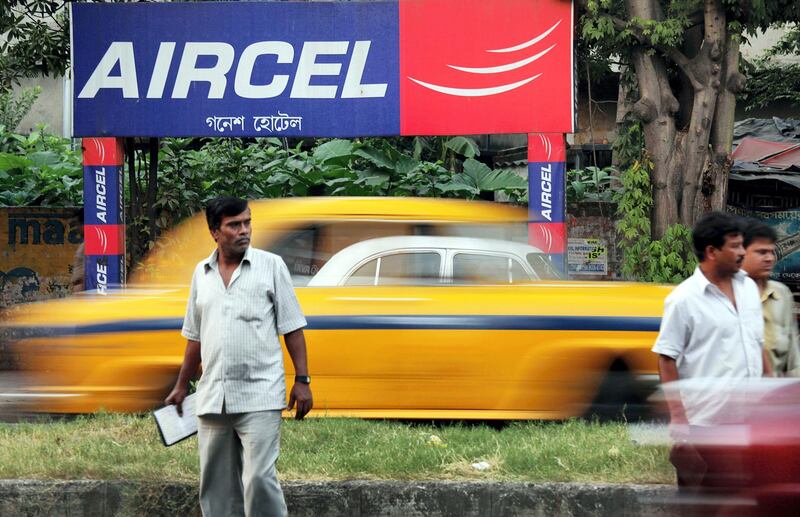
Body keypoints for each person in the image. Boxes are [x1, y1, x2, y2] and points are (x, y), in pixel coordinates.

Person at [165, 196, 312, 517]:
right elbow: (194, 336)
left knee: (259, 479)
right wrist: (180, 385)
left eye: (247, 222)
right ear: (215, 232)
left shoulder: (271, 266)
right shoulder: (201, 274)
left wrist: (302, 379)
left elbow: (293, 327)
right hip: (213, 396)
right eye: (234, 225)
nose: (244, 230)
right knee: (216, 487)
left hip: (260, 393)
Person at [651, 211, 770, 491]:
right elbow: (666, 359)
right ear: (711, 251)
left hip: (750, 421)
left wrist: (770, 389)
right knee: (707, 502)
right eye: (735, 246)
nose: (743, 252)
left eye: (743, 244)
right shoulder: (683, 300)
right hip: (705, 426)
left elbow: (757, 343)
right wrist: (679, 421)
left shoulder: (749, 288)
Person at [741, 219, 800, 377]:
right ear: (741, 253)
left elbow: (792, 364)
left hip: (772, 396)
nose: (769, 258)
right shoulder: (726, 293)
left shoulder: (782, 295)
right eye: (761, 252)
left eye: (771, 252)